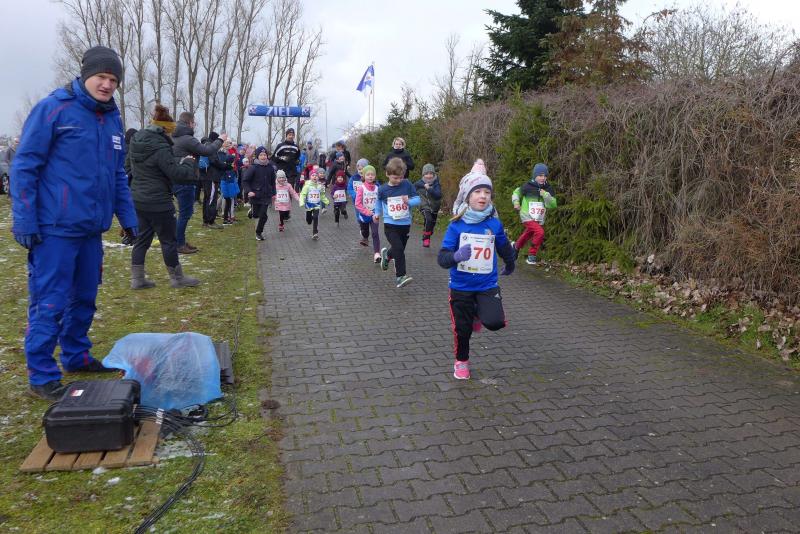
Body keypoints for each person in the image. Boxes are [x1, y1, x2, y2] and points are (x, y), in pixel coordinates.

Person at [10, 45, 139, 400]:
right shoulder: (54, 109)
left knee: (84, 297)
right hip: (54, 229)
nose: (107, 85)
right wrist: (25, 219)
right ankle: (41, 374)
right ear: (86, 76)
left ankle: (76, 355)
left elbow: (117, 175)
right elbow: (25, 166)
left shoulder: (112, 118)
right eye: (101, 77)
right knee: (50, 301)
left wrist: (128, 218)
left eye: (114, 80)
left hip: (90, 230)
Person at [437, 173, 516, 380]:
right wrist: (456, 256)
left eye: (487, 192)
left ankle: (477, 313)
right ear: (467, 196)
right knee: (462, 329)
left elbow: (504, 247)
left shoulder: (494, 224)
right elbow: (442, 258)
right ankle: (461, 361)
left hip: (486, 284)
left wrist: (510, 263)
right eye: (477, 192)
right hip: (461, 287)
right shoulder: (456, 225)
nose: (483, 196)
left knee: (495, 322)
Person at [129, 104, 201, 291]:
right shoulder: (160, 145)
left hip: (139, 198)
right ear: (165, 129)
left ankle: (137, 279)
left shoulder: (137, 139)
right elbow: (175, 174)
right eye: (170, 132)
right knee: (168, 240)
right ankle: (177, 278)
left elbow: (132, 167)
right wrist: (188, 163)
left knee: (142, 238)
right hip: (159, 201)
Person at [171, 112, 225, 254]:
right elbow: (207, 150)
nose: (194, 125)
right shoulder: (187, 139)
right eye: (194, 123)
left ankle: (180, 241)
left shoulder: (173, 137)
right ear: (190, 123)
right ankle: (179, 244)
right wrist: (220, 139)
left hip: (175, 178)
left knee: (184, 213)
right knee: (185, 213)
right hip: (185, 179)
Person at [374, 157, 420, 288]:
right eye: (395, 178)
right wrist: (376, 213)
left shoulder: (407, 184)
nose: (399, 180)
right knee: (399, 249)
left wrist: (409, 202)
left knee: (398, 249)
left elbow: (417, 200)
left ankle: (387, 255)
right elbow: (378, 202)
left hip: (405, 224)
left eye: (401, 177)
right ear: (387, 174)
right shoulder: (382, 189)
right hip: (390, 225)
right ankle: (401, 276)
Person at [512, 162, 557, 265]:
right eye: (540, 175)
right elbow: (516, 192)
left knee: (528, 233)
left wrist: (546, 195)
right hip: (526, 215)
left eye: (545, 176)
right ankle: (532, 255)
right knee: (540, 232)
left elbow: (553, 204)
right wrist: (516, 202)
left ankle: (516, 246)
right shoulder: (527, 186)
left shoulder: (548, 188)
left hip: (538, 218)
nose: (543, 178)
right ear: (535, 175)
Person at [242, 146, 276, 241]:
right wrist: (249, 191)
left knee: (263, 215)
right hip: (255, 195)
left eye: (264, 155)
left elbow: (273, 182)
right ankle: (252, 211)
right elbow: (245, 181)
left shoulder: (270, 168)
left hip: (266, 195)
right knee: (256, 215)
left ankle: (258, 232)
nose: (263, 157)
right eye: (261, 155)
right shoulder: (253, 167)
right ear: (257, 156)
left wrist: (274, 193)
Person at [202, 133, 232, 229]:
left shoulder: (206, 145)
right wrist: (226, 166)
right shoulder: (211, 147)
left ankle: (206, 220)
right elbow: (214, 161)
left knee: (207, 198)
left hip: (207, 176)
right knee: (211, 199)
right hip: (211, 176)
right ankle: (210, 221)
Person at [354, 164, 382, 262]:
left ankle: (377, 254)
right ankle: (364, 236)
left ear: (375, 176)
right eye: (368, 175)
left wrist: (378, 211)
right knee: (365, 232)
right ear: (364, 176)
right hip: (364, 215)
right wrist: (366, 212)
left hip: (374, 214)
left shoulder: (378, 188)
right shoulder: (361, 188)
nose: (370, 176)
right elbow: (357, 204)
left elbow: (381, 200)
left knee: (375, 233)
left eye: (372, 174)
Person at [414, 163, 443, 248]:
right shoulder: (420, 183)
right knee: (428, 219)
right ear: (423, 175)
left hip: (434, 207)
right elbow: (413, 187)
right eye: (426, 174)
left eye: (431, 173)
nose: (429, 176)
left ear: (434, 174)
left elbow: (438, 195)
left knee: (431, 225)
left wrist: (429, 189)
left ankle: (428, 232)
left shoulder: (436, 183)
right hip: (424, 205)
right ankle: (426, 238)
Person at [299, 167, 329, 240]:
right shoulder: (307, 186)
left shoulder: (320, 186)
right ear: (310, 177)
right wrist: (302, 201)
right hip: (309, 205)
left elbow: (322, 195)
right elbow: (303, 194)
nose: (314, 177)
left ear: (318, 177)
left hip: (316, 205)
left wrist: (326, 201)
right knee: (309, 220)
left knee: (316, 217)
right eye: (313, 175)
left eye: (316, 175)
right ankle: (309, 219)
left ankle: (315, 233)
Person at [220, 146, 241, 224]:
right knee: (228, 205)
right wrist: (233, 193)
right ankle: (226, 219)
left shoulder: (228, 170)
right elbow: (229, 183)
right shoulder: (228, 171)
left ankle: (228, 218)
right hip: (228, 192)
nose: (233, 163)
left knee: (228, 204)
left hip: (229, 192)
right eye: (233, 162)